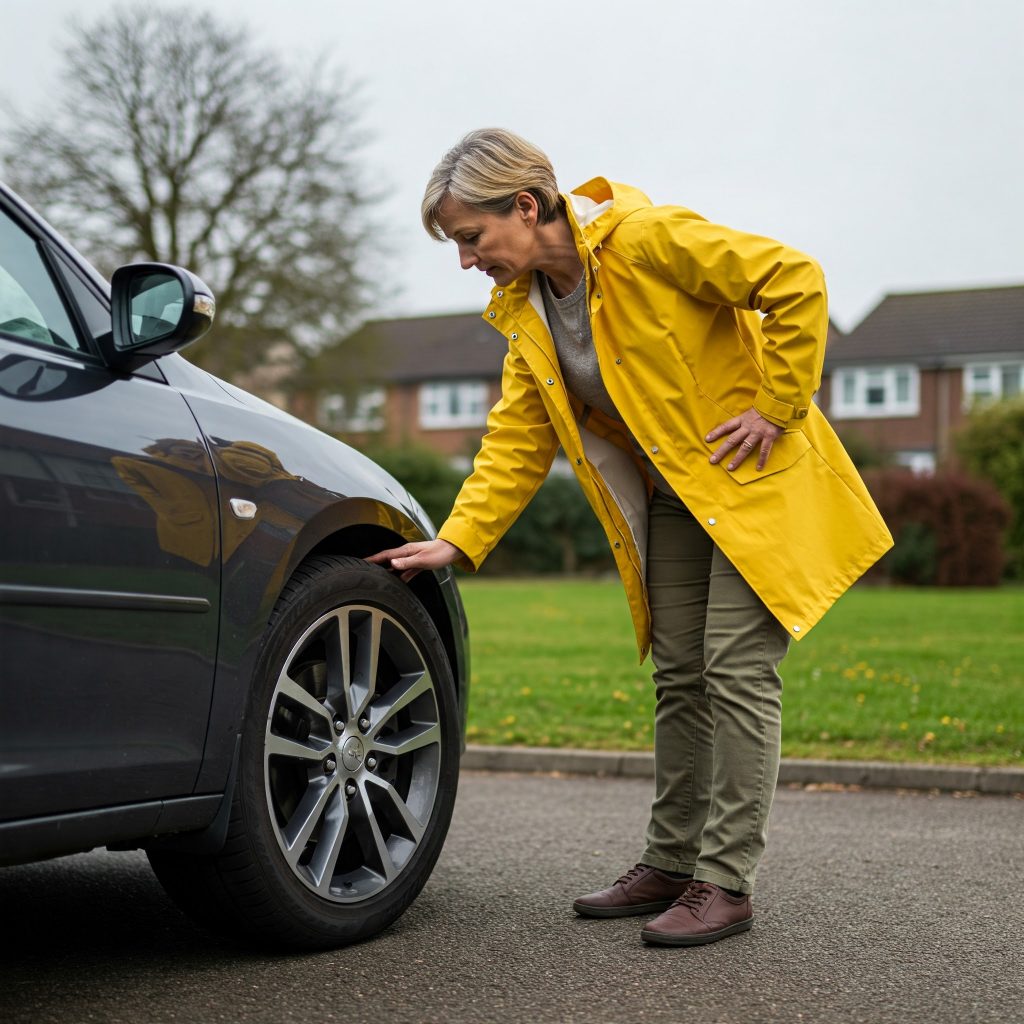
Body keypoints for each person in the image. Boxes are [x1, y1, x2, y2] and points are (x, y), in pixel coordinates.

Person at [367, 128, 892, 947]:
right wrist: (458, 540)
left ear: (528, 206)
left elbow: (793, 278)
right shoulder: (530, 313)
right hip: (674, 503)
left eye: (471, 238)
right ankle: (672, 862)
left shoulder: (647, 240)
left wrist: (778, 406)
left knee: (735, 669)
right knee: (681, 674)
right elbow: (516, 439)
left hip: (756, 487)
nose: (466, 261)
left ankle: (725, 881)